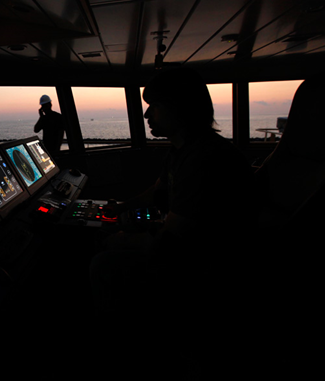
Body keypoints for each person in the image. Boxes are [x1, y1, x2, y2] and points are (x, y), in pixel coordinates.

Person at [89, 68, 254, 376]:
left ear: (179, 108)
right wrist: (120, 207)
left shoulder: (206, 159)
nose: (148, 114)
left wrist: (123, 238)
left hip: (208, 266)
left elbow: (171, 245)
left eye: (155, 105)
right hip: (194, 248)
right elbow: (158, 191)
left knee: (103, 264)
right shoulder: (183, 150)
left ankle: (124, 353)